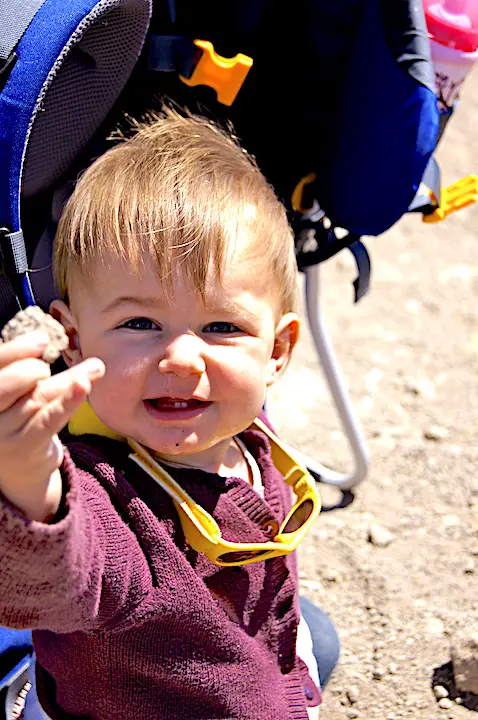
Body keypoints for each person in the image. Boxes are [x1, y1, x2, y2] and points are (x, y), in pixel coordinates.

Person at [0, 109, 338, 720]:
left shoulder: (245, 431)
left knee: (319, 641)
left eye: (221, 326)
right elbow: (51, 577)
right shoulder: (111, 502)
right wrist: (28, 482)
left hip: (249, 664)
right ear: (73, 342)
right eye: (139, 324)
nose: (182, 358)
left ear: (276, 353)